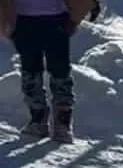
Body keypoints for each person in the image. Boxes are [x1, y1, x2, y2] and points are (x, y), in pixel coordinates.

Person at [0, 0, 99, 142]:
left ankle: (39, 120)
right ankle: (61, 123)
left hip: (25, 19)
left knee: (31, 70)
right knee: (59, 70)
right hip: (55, 19)